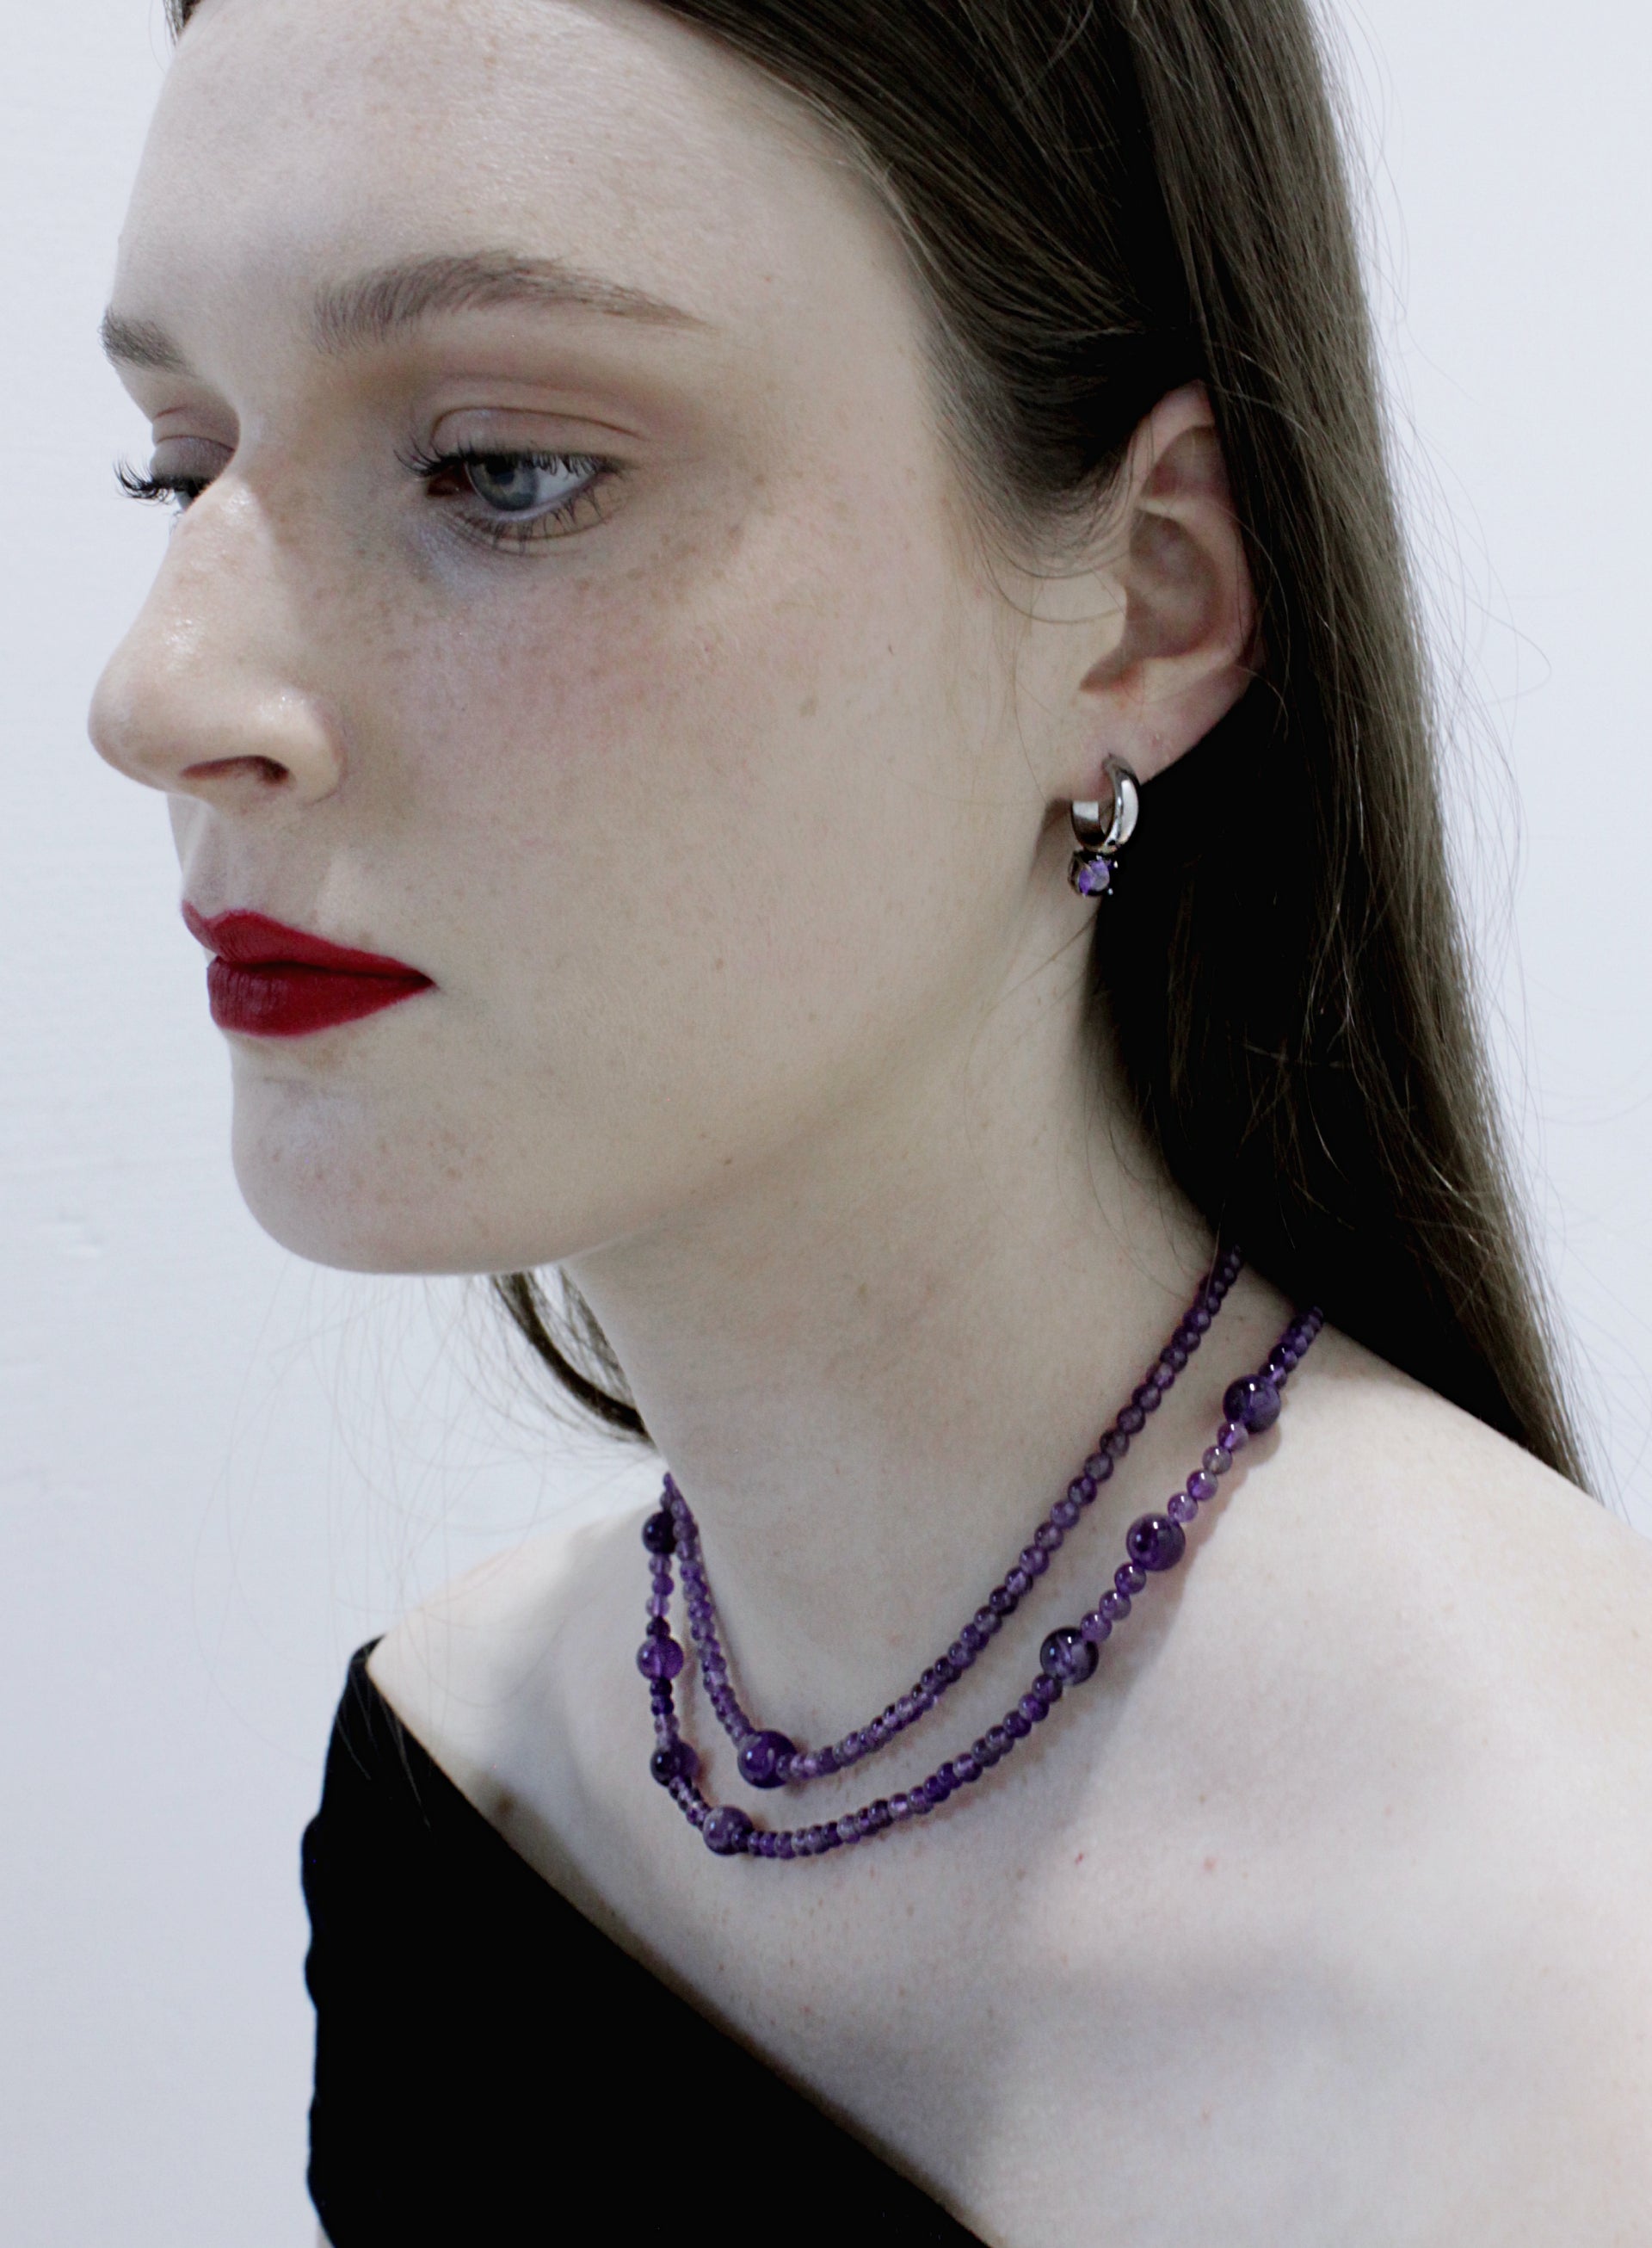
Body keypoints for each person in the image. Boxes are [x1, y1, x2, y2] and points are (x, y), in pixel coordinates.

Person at [89, 0, 1652, 2236]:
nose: (158, 691)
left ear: (1147, 596)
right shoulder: (463, 1783)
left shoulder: (1570, 2000)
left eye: (501, 466)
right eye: (178, 465)